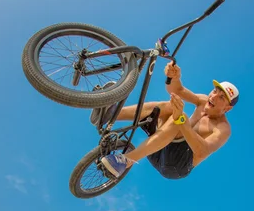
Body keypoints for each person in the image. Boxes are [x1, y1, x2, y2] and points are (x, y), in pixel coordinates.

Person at [97, 63, 239, 180]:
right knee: (170, 106)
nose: (213, 97)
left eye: (221, 98)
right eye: (215, 91)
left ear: (228, 108)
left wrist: (181, 120)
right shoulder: (202, 100)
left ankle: (125, 161)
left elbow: (202, 152)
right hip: (158, 150)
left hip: (177, 165)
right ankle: (111, 114)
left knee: (178, 116)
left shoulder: (222, 128)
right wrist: (173, 77)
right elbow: (177, 90)